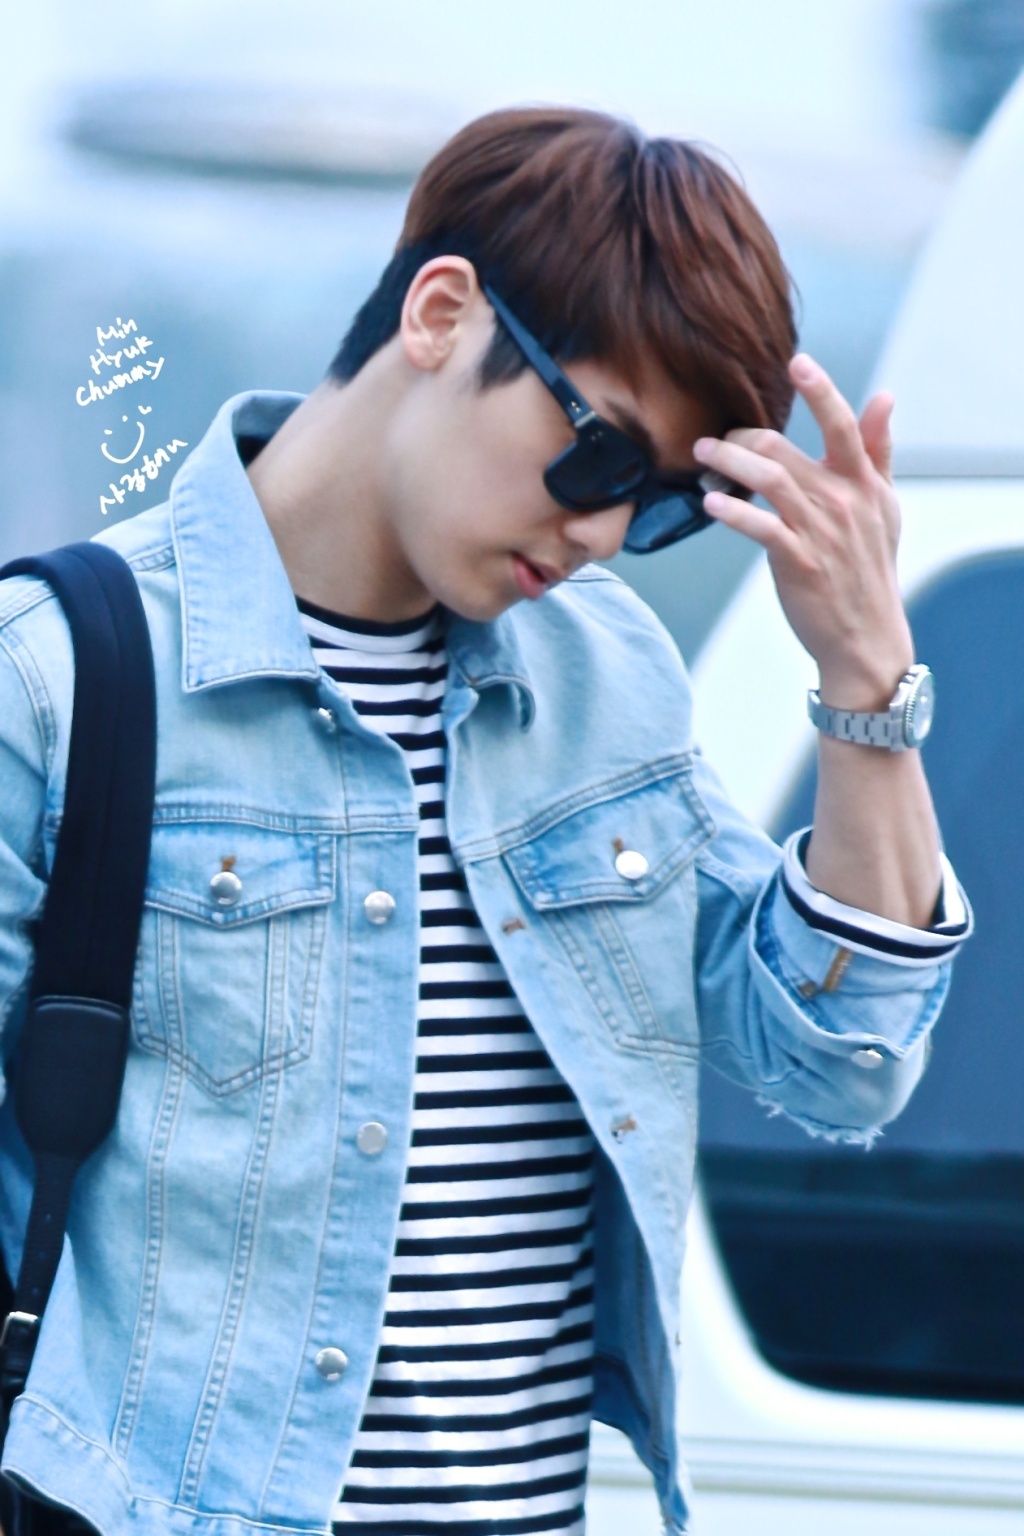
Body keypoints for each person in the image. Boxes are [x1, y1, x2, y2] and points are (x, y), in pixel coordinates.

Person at [0, 106, 971, 1536]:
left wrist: (867, 682)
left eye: (661, 507)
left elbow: (844, 1063)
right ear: (441, 314)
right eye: (599, 457)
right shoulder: (57, 678)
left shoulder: (605, 675)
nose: (601, 534)